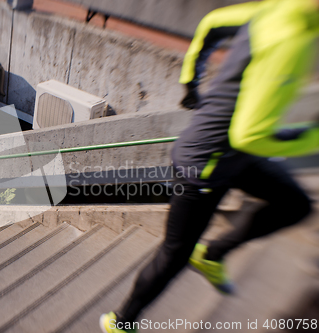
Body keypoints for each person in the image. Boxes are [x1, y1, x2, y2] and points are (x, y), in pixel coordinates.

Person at [100, 0, 319, 332]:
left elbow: (213, 23)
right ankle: (121, 322)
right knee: (173, 254)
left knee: (295, 204)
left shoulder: (277, 11)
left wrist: (191, 83)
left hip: (235, 156)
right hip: (205, 164)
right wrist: (312, 137)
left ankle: (212, 253)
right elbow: (251, 135)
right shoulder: (290, 36)